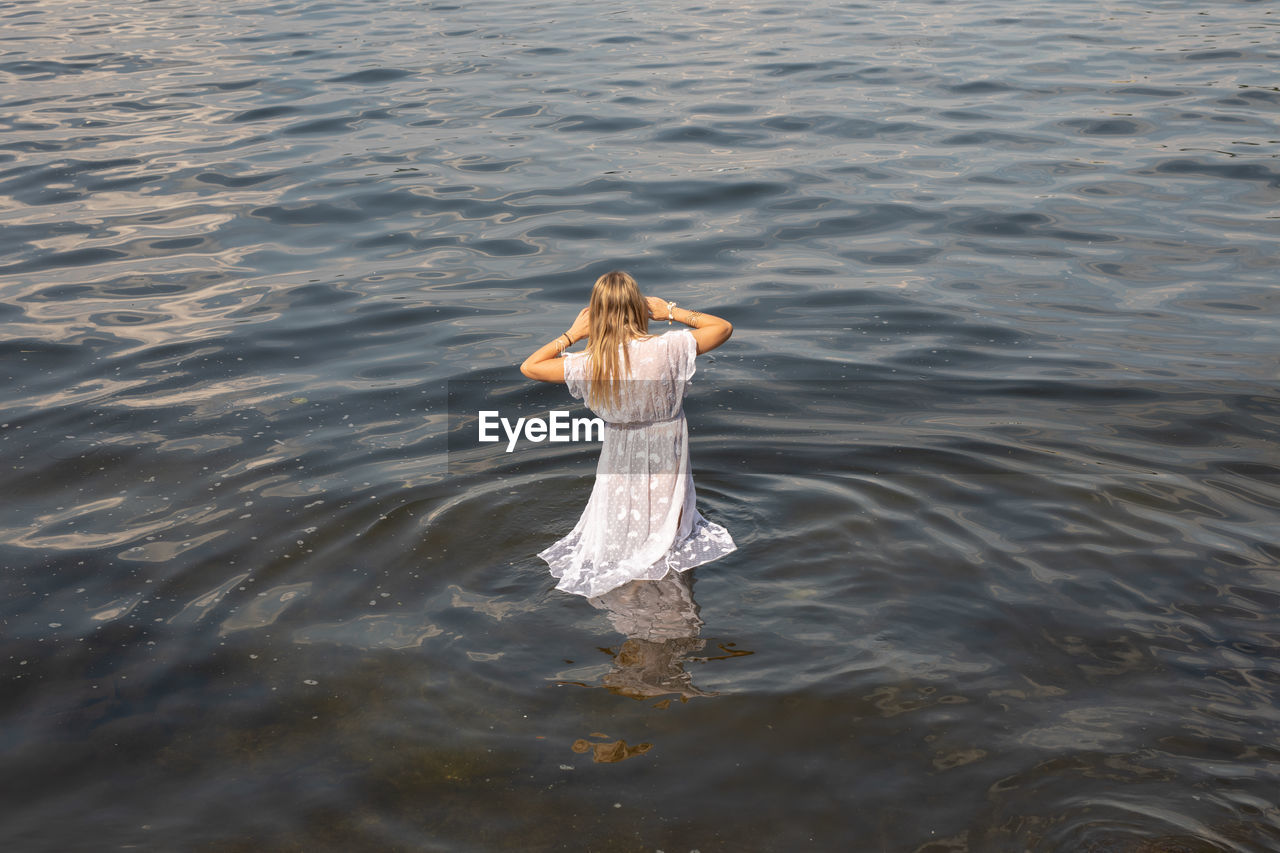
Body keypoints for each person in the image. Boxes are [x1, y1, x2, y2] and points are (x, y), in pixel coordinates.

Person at [520, 270, 736, 598]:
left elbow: (530, 367)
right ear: (640, 308)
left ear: (595, 314)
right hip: (667, 447)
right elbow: (722, 328)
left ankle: (635, 588)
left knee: (625, 529)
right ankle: (663, 591)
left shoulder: (590, 362)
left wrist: (571, 335)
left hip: (619, 452)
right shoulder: (670, 347)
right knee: (669, 528)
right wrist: (672, 311)